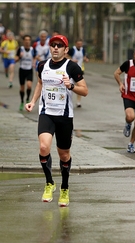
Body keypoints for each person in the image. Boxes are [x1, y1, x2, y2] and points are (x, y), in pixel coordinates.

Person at [25, 35, 88, 207]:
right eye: (53, 45)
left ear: (66, 49)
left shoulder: (72, 67)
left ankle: (65, 187)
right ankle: (49, 183)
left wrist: (71, 86)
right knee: (44, 147)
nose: (55, 48)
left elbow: (85, 91)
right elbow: (40, 83)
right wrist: (33, 101)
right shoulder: (42, 65)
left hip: (64, 116)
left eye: (59, 45)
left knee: (64, 154)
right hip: (46, 113)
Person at [15, 34, 36, 111]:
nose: (27, 42)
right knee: (22, 88)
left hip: (29, 70)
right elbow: (15, 59)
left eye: (28, 40)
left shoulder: (33, 49)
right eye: (26, 40)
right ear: (23, 41)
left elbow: (35, 58)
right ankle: (21, 101)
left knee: (29, 85)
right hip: (22, 70)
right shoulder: (20, 49)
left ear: (30, 41)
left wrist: (34, 62)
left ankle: (27, 98)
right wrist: (20, 56)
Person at [67, 38, 89, 108]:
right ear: (75, 43)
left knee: (80, 86)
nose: (79, 45)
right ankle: (68, 99)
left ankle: (78, 102)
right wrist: (72, 60)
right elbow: (66, 56)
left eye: (80, 44)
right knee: (70, 85)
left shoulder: (83, 50)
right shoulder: (72, 49)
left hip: (80, 69)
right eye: (78, 44)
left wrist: (86, 59)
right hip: (71, 69)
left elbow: (84, 57)